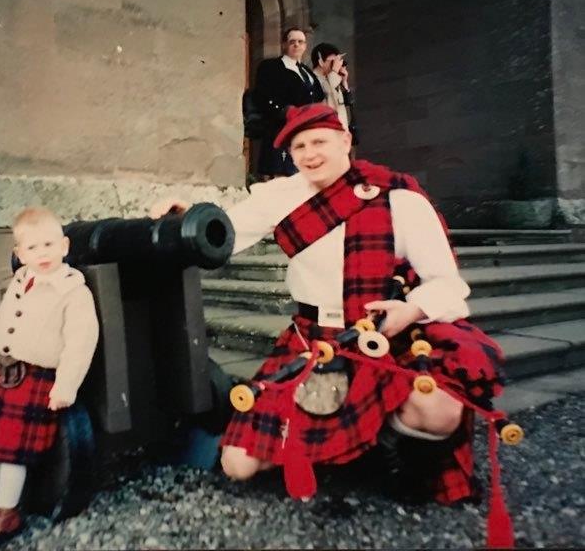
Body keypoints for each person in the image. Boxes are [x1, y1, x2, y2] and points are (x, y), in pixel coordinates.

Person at [149, 103, 512, 545]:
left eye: (319, 141)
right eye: (299, 146)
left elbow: (446, 283)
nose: (309, 153)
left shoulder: (398, 198)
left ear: (344, 141)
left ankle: (389, 452)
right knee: (238, 465)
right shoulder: (280, 196)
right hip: (312, 342)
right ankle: (347, 445)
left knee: (437, 408)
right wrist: (185, 216)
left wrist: (411, 311)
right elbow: (225, 231)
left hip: (382, 337)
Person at [0, 207, 99, 549]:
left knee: (11, 453)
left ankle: (7, 514)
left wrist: (65, 386)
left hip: (36, 379)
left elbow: (82, 340)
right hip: (7, 376)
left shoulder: (73, 291)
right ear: (20, 255)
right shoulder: (21, 282)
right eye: (33, 248)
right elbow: (5, 319)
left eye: (49, 245)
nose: (43, 254)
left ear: (65, 246)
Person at [251, 27, 325, 178]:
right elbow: (262, 96)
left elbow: (318, 95)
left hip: (304, 131)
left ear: (305, 46)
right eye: (292, 42)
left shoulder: (306, 71)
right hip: (280, 128)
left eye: (300, 42)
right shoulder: (271, 67)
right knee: (281, 176)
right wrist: (283, 111)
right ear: (284, 44)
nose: (296, 45)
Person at [310, 42, 351, 129]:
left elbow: (344, 109)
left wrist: (344, 84)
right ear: (321, 61)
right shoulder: (312, 80)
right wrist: (334, 73)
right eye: (333, 61)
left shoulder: (332, 79)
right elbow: (330, 104)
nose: (336, 64)